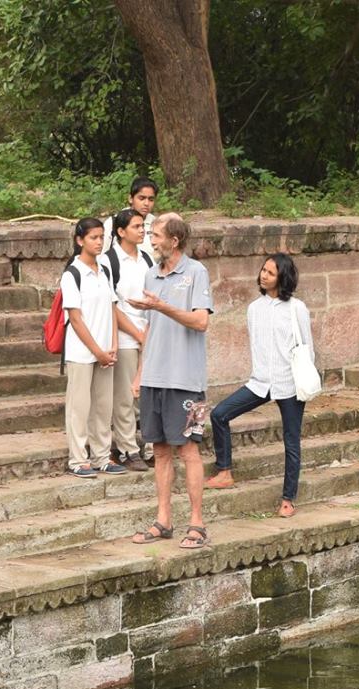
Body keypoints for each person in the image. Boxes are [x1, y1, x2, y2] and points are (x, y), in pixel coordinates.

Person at [129, 214, 215, 550]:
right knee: (160, 450)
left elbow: (200, 322)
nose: (151, 239)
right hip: (154, 379)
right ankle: (163, 520)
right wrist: (140, 372)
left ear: (174, 241)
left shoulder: (196, 273)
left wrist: (162, 305)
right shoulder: (151, 273)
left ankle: (197, 523)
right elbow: (149, 327)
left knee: (189, 450)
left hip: (187, 381)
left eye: (156, 235)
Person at [209, 253, 313, 518]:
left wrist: (303, 380)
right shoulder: (254, 308)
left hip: (289, 384)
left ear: (283, 277)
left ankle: (288, 499)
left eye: (270, 272)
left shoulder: (296, 308)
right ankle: (224, 471)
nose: (263, 275)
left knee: (291, 441)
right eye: (263, 270)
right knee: (219, 414)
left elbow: (306, 348)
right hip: (260, 383)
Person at [60, 216, 123, 478]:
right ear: (80, 240)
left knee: (103, 406)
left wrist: (113, 345)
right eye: (93, 238)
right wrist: (97, 350)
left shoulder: (104, 270)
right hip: (82, 351)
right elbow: (75, 319)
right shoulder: (72, 273)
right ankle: (78, 459)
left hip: (105, 350)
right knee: (79, 406)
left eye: (101, 237)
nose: (99, 242)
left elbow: (112, 307)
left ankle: (101, 456)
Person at [102, 208, 155, 471]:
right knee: (124, 396)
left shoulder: (146, 258)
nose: (142, 230)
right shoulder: (109, 261)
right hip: (124, 335)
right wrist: (136, 333)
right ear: (121, 231)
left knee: (146, 395)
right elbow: (112, 304)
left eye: (143, 225)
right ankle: (127, 449)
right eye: (136, 226)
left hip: (148, 332)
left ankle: (149, 446)